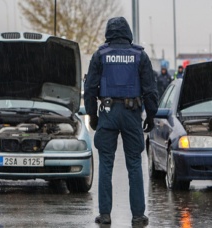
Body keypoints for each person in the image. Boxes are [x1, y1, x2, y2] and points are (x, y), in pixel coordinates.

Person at [84, 17, 158, 226]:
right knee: (134, 164)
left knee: (105, 164)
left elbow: (90, 89)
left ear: (109, 33)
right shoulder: (140, 56)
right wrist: (151, 116)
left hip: (108, 112)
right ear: (128, 33)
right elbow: (150, 90)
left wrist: (93, 116)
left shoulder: (100, 55)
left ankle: (105, 214)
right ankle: (137, 215)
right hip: (132, 113)